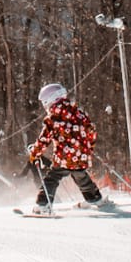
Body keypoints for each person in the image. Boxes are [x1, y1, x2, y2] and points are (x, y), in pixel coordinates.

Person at [29, 83, 104, 212]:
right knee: (81, 177)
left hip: (64, 157)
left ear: (50, 100)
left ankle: (43, 204)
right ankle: (95, 199)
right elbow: (91, 131)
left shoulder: (53, 118)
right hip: (81, 155)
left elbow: (44, 139)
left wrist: (34, 153)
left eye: (44, 103)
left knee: (52, 179)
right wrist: (89, 147)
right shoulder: (79, 113)